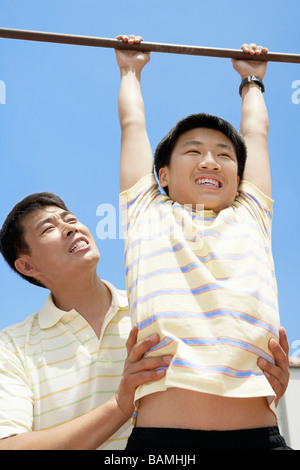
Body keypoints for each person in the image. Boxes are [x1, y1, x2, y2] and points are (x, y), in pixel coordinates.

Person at [115, 35, 291, 450]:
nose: (210, 160)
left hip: (260, 439)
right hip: (162, 444)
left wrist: (251, 81)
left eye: (224, 155)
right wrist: (130, 71)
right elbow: (132, 125)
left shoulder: (251, 214)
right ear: (162, 176)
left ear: (238, 178)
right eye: (193, 151)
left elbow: (257, 134)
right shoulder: (146, 212)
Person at [0, 192, 172, 450]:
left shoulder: (153, 306)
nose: (70, 228)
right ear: (27, 266)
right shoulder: (12, 346)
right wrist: (119, 405)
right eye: (48, 228)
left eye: (70, 219)